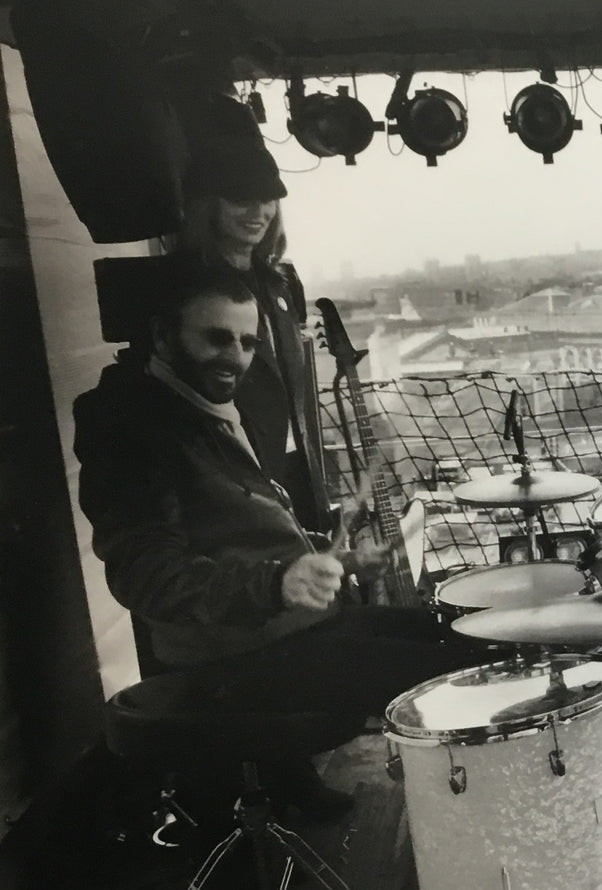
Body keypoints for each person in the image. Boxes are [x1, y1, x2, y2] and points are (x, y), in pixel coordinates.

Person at [75, 269, 496, 819]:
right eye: (216, 337)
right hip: (231, 656)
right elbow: (147, 574)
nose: (236, 357)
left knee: (464, 630)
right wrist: (279, 582)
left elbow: (242, 532)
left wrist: (332, 559)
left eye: (248, 342)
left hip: (283, 630)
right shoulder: (132, 425)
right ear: (162, 335)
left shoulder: (207, 401)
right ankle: (477, 829)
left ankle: (294, 784)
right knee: (461, 667)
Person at [171, 122, 330, 534]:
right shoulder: (188, 290)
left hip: (296, 466)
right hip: (236, 479)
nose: (259, 213)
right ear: (210, 204)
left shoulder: (278, 282)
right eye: (242, 199)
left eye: (269, 199)